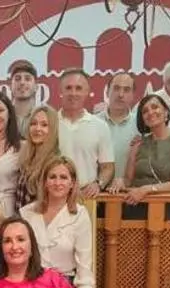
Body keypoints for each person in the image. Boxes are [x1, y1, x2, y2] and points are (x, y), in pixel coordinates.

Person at [20, 157, 96, 288]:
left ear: (72, 183)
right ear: (45, 182)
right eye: (52, 177)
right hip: (31, 283)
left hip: (63, 285)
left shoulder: (80, 215)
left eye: (63, 177)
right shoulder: (27, 213)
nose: (57, 183)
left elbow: (84, 262)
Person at [121, 93, 170, 220]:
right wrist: (119, 182)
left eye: (155, 107)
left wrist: (146, 189)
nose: (150, 112)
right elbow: (127, 180)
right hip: (134, 207)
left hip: (164, 210)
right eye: (145, 111)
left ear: (166, 112)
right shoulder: (138, 144)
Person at [57, 69, 114, 198]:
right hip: (54, 196)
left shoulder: (100, 126)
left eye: (78, 88)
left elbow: (108, 167)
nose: (73, 93)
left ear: (87, 92)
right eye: (68, 88)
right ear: (60, 91)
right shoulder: (49, 123)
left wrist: (98, 184)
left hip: (86, 197)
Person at [97, 73, 139, 190]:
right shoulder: (93, 123)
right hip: (97, 193)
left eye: (126, 90)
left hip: (131, 194)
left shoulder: (142, 125)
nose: (121, 94)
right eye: (116, 88)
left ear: (133, 95)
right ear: (107, 92)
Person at [15, 105, 61, 211]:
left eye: (44, 125)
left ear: (52, 129)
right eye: (33, 123)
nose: (37, 129)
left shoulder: (54, 164)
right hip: (20, 218)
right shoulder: (25, 157)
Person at [8, 59, 40, 136]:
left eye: (27, 79)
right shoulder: (3, 116)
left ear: (36, 87)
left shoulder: (44, 115)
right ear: (10, 86)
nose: (22, 83)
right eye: (17, 79)